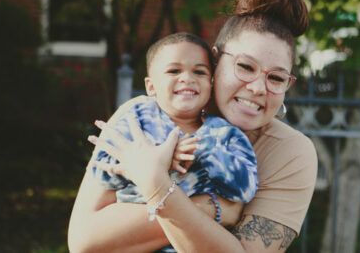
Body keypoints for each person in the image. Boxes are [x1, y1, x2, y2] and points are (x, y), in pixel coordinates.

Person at [68, 0, 318, 252]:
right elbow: (85, 240)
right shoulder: (141, 117)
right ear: (215, 60)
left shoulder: (291, 152)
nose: (259, 87)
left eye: (276, 78)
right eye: (245, 67)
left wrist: (156, 184)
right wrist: (216, 208)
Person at [89, 32, 258, 252]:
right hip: (133, 238)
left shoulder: (224, 134)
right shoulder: (136, 118)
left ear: (211, 83)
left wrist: (202, 150)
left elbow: (245, 189)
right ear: (151, 86)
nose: (187, 78)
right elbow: (102, 173)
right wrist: (157, 160)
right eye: (174, 71)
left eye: (199, 71)